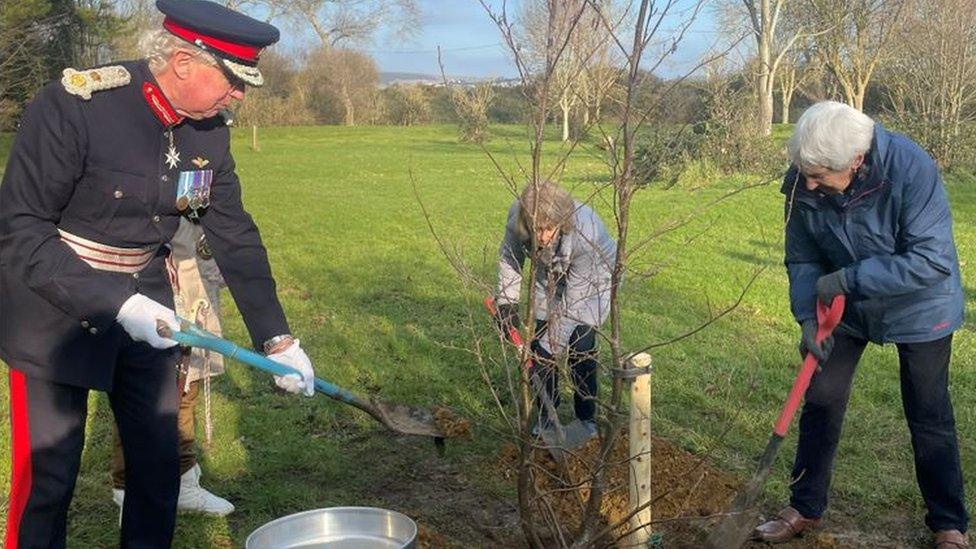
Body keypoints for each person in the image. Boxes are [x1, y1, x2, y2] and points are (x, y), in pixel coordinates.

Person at [0, 0, 317, 546]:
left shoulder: (209, 131)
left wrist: (277, 338)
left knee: (157, 468)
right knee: (48, 482)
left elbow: (234, 231)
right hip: (52, 307)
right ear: (183, 62)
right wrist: (114, 301)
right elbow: (20, 229)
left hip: (149, 306)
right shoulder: (75, 106)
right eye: (232, 80)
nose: (238, 95)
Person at [754, 101, 968, 548]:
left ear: (855, 160)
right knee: (821, 397)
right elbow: (803, 255)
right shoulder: (804, 178)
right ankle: (804, 505)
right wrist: (806, 317)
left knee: (928, 412)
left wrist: (848, 279)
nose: (807, 183)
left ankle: (949, 523)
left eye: (819, 175)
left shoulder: (911, 169)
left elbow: (930, 260)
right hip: (843, 307)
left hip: (920, 304)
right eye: (803, 172)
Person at [110, 218, 233, 516]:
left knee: (187, 384)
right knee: (143, 391)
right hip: (153, 274)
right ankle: (128, 485)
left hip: (193, 268)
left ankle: (184, 480)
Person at [493, 181, 617, 437]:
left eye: (549, 229)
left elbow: (573, 303)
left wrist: (547, 350)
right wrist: (506, 303)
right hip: (550, 274)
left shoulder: (586, 230)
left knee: (581, 342)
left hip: (594, 277)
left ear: (561, 222)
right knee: (542, 337)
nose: (542, 237)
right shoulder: (517, 217)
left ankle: (586, 418)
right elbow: (510, 258)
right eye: (536, 229)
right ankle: (547, 417)